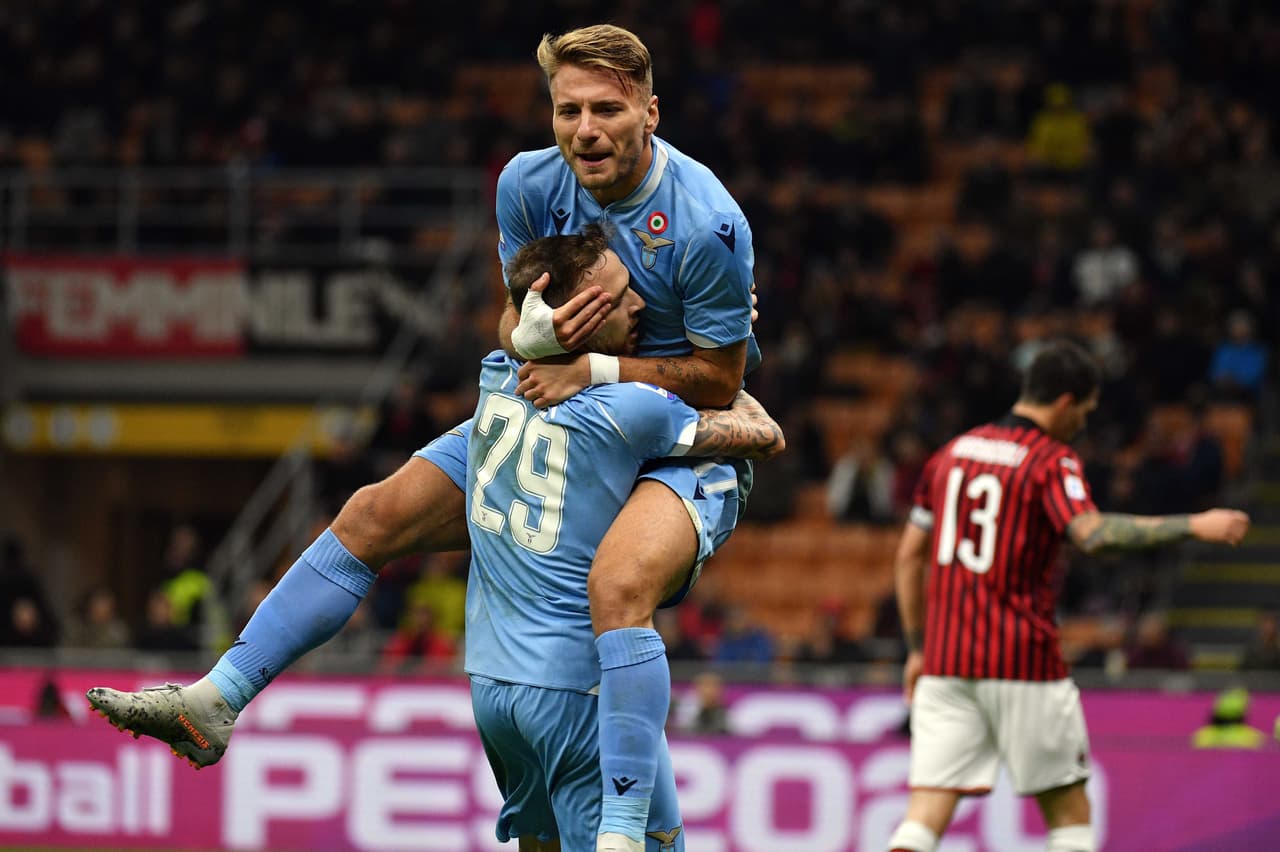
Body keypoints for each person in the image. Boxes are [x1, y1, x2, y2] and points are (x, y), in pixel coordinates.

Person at [88, 24, 760, 851]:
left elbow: (720, 382)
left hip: (679, 439)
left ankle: (622, 834)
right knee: (371, 514)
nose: (584, 129)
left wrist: (597, 370)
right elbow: (514, 322)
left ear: (649, 113)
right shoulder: (526, 184)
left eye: (607, 110)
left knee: (619, 584)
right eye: (567, 109)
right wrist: (541, 342)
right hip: (559, 410)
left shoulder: (708, 225)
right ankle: (218, 699)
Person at [464, 227, 782, 850]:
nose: (639, 305)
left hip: (491, 686)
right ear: (576, 321)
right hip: (577, 690)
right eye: (619, 297)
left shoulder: (495, 376)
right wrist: (722, 350)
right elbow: (764, 435)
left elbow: (513, 320)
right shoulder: (629, 409)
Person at [887, 339, 1250, 852]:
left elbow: (908, 557)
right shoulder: (1050, 462)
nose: (1084, 421)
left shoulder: (951, 454)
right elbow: (1092, 534)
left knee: (923, 818)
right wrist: (1195, 524)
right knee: (1070, 819)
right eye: (1085, 409)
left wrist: (918, 648)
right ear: (1064, 401)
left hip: (946, 663)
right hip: (1023, 662)